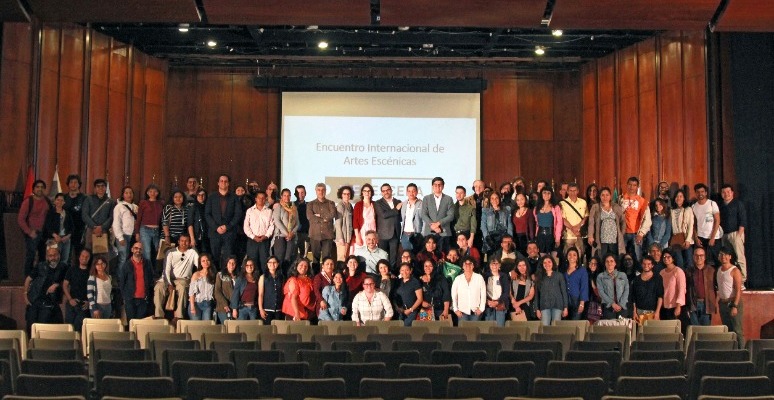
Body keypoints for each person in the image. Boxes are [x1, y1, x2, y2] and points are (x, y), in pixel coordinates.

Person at [154, 234, 199, 320]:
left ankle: (178, 316)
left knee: (182, 287)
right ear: (178, 242)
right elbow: (166, 270)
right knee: (158, 287)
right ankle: (158, 315)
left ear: (189, 243)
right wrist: (169, 284)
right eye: (182, 241)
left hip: (183, 279)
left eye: (186, 241)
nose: (184, 243)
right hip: (168, 278)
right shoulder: (171, 252)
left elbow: (199, 265)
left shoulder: (192, 252)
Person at [24, 246, 67, 333]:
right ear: (47, 257)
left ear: (59, 255)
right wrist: (25, 295)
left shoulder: (63, 267)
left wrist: (56, 284)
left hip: (49, 302)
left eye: (55, 255)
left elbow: (67, 282)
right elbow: (28, 279)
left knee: (42, 327)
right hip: (35, 299)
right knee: (30, 326)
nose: (53, 258)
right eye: (50, 256)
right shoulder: (40, 266)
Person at [205, 174, 242, 269]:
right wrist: (216, 227)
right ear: (218, 183)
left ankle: (227, 278)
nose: (223, 183)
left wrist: (227, 226)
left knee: (228, 258)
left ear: (228, 183)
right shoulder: (211, 197)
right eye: (221, 181)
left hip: (229, 232)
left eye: (225, 181)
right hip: (214, 232)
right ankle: (215, 278)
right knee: (214, 257)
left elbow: (238, 214)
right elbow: (207, 214)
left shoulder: (234, 197)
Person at [18, 180, 51, 277]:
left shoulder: (47, 201)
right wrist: (29, 232)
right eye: (37, 187)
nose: (40, 189)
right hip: (32, 233)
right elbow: (20, 219)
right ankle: (27, 280)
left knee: (43, 257)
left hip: (44, 234)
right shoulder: (28, 201)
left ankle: (40, 279)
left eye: (42, 187)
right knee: (31, 257)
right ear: (33, 189)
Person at [716, 246, 744, 349]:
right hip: (723, 303)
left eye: (725, 255)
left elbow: (738, 290)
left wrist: (735, 306)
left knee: (737, 330)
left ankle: (742, 353)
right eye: (721, 254)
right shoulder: (719, 270)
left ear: (730, 256)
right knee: (728, 330)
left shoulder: (735, 270)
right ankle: (731, 352)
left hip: (732, 303)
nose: (723, 257)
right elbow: (719, 288)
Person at [587, 187, 626, 260]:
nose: (605, 197)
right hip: (602, 240)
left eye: (607, 195)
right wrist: (590, 236)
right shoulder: (595, 207)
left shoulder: (616, 206)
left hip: (614, 239)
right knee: (601, 259)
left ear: (610, 196)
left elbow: (623, 221)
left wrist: (622, 233)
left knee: (614, 259)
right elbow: (591, 222)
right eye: (603, 195)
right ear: (600, 196)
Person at [118, 243, 153, 322]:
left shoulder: (147, 263)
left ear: (142, 251)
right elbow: (122, 282)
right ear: (132, 249)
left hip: (143, 299)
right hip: (130, 299)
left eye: (140, 249)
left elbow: (150, 279)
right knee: (131, 323)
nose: (138, 250)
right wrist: (124, 297)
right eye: (136, 248)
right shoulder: (126, 265)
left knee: (140, 324)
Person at [720, 184, 747, 282]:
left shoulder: (738, 203)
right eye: (724, 192)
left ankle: (742, 280)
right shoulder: (721, 205)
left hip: (735, 234)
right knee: (728, 258)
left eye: (728, 192)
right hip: (724, 235)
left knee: (739, 257)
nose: (726, 194)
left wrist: (738, 235)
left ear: (732, 193)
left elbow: (743, 220)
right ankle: (731, 280)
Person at [620, 177, 651, 262]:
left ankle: (639, 273)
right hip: (623, 232)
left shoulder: (642, 201)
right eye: (630, 185)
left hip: (636, 233)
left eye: (634, 185)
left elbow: (647, 220)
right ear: (627, 185)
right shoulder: (620, 199)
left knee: (638, 257)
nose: (632, 187)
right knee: (622, 256)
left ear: (637, 187)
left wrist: (641, 233)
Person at [421, 177, 455, 253]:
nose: (437, 187)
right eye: (435, 185)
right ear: (432, 186)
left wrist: (438, 223)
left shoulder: (449, 199)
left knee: (443, 256)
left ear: (443, 186)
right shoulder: (426, 198)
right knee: (429, 257)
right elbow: (423, 214)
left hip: (444, 232)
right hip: (429, 232)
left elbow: (451, 215)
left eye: (439, 185)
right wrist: (432, 225)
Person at [81, 179, 114, 256]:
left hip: (104, 231)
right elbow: (84, 215)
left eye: (102, 186)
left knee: (101, 256)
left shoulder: (111, 201)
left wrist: (102, 227)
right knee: (88, 254)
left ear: (106, 188)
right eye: (98, 186)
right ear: (95, 188)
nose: (100, 188)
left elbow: (111, 217)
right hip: (90, 230)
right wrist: (94, 226)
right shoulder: (88, 199)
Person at [244, 191, 274, 274]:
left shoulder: (269, 211)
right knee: (252, 263)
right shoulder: (250, 211)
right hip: (252, 240)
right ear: (255, 199)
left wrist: (266, 236)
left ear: (265, 199)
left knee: (264, 262)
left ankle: (264, 282)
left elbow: (272, 226)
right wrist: (253, 236)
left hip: (264, 240)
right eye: (259, 198)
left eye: (263, 198)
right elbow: (246, 226)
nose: (261, 199)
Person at [692, 183, 722, 266]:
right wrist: (696, 237)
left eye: (702, 191)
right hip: (701, 238)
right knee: (702, 262)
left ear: (705, 193)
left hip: (714, 237)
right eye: (698, 192)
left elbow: (717, 220)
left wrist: (712, 237)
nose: (700, 194)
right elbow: (693, 224)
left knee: (716, 261)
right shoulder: (694, 206)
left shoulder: (712, 204)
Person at [374, 183, 402, 268]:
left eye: (388, 190)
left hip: (395, 234)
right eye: (384, 191)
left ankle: (392, 276)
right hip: (383, 235)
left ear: (391, 190)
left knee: (393, 259)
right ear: (381, 193)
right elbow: (384, 215)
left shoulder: (398, 202)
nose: (386, 192)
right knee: (383, 258)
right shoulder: (378, 203)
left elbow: (401, 217)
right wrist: (396, 209)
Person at [685, 248, 716, 326]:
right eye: (696, 255)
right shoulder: (688, 271)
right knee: (694, 331)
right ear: (693, 257)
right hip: (693, 304)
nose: (699, 258)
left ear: (705, 257)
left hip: (706, 304)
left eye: (701, 255)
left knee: (705, 332)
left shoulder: (711, 271)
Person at [307, 183, 337, 264]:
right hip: (315, 235)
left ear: (326, 191)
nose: (321, 192)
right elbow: (310, 217)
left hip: (327, 236)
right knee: (315, 259)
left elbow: (332, 215)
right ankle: (316, 276)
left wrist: (319, 216)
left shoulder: (331, 203)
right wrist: (324, 218)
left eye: (323, 190)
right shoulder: (310, 204)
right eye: (319, 190)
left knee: (326, 259)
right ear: (316, 191)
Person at [534, 255, 568, 325]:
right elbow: (537, 295)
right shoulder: (539, 277)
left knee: (556, 328)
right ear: (542, 265)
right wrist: (537, 309)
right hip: (544, 306)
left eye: (549, 262)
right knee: (545, 328)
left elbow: (564, 292)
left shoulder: (559, 275)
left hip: (557, 305)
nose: (547, 264)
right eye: (544, 263)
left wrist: (565, 307)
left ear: (553, 263)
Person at [629, 256, 663, 325]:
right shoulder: (636, 279)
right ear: (641, 265)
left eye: (648, 264)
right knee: (640, 334)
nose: (646, 266)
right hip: (639, 311)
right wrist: (634, 312)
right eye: (644, 264)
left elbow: (660, 296)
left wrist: (657, 312)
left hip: (652, 312)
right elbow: (634, 298)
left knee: (652, 334)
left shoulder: (658, 278)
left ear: (652, 265)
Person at [63, 249, 91, 331]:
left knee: (79, 328)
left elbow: (95, 288)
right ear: (79, 257)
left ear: (89, 258)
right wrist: (70, 299)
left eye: (87, 257)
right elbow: (65, 285)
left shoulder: (91, 272)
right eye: (82, 256)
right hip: (72, 302)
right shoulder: (72, 269)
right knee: (69, 327)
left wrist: (89, 301)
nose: (84, 258)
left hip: (84, 305)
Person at [451, 256, 486, 323]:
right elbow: (454, 294)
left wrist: (481, 308)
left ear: (473, 265)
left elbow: (483, 294)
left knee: (475, 332)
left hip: (476, 312)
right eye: (465, 264)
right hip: (462, 312)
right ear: (463, 266)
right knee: (463, 332)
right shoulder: (458, 279)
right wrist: (455, 309)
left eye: (470, 264)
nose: (468, 266)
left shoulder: (479, 277)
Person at [135, 184, 163, 262]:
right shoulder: (143, 203)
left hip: (157, 230)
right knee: (147, 252)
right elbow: (139, 218)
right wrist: (137, 233)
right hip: (145, 230)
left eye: (155, 191)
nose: (153, 193)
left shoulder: (161, 203)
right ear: (147, 193)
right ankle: (147, 272)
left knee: (158, 251)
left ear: (158, 193)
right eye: (150, 191)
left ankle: (156, 271)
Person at [560, 182, 588, 260]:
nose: (573, 192)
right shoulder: (562, 203)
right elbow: (563, 219)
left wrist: (578, 227)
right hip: (568, 235)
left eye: (574, 190)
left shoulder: (583, 202)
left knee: (579, 257)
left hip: (579, 234)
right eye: (571, 190)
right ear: (567, 191)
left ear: (578, 191)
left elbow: (585, 217)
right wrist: (573, 229)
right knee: (568, 257)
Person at [596, 254, 629, 320]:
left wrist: (621, 304)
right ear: (604, 263)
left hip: (622, 306)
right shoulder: (600, 276)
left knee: (622, 328)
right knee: (610, 329)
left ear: (615, 263)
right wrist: (612, 304)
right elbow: (601, 292)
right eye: (607, 261)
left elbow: (626, 289)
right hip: (608, 307)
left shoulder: (622, 275)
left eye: (611, 261)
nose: (609, 263)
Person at [273, 188, 299, 270]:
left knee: (289, 259)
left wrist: (292, 233)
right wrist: (287, 233)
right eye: (285, 195)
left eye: (288, 195)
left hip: (291, 236)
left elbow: (297, 223)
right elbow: (277, 222)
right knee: (280, 259)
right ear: (281, 196)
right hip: (280, 236)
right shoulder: (278, 207)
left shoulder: (294, 208)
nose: (287, 197)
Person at [45, 192, 74, 264]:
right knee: (53, 260)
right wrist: (55, 235)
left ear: (64, 202)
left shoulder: (67, 213)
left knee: (64, 260)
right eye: (58, 200)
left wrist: (68, 236)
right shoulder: (50, 213)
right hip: (53, 239)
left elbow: (72, 227)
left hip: (65, 239)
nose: (59, 202)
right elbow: (47, 226)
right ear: (55, 201)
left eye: (62, 200)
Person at [481, 191, 513, 256]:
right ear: (489, 200)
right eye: (492, 198)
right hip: (490, 238)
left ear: (500, 199)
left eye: (496, 198)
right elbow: (483, 226)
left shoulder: (506, 209)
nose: (494, 200)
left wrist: (510, 238)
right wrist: (487, 238)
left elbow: (509, 224)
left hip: (503, 237)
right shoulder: (485, 211)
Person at [64, 174, 87, 263]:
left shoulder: (84, 198)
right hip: (65, 231)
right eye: (71, 182)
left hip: (79, 230)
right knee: (66, 256)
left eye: (75, 182)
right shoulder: (64, 198)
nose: (73, 184)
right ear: (68, 184)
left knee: (79, 255)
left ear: (79, 184)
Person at [534, 187, 563, 256]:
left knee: (553, 258)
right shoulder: (536, 208)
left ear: (551, 195)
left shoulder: (556, 207)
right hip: (540, 235)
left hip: (551, 235)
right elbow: (536, 223)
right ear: (541, 194)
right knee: (542, 257)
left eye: (549, 193)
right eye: (544, 193)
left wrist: (557, 238)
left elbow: (559, 223)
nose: (546, 195)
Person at [659, 248, 686, 322]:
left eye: (668, 257)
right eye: (664, 257)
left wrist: (678, 306)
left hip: (675, 306)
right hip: (664, 306)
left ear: (673, 258)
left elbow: (681, 289)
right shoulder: (661, 272)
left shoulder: (678, 271)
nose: (666, 259)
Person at [111, 186, 136, 266]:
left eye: (130, 193)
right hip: (123, 235)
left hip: (132, 235)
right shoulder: (119, 207)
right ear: (123, 195)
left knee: (129, 257)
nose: (129, 195)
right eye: (126, 193)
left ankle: (126, 277)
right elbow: (116, 223)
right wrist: (120, 237)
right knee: (123, 258)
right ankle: (120, 278)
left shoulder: (135, 207)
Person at [670, 189, 695, 268]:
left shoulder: (688, 209)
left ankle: (689, 279)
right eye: (677, 196)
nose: (679, 198)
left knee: (689, 262)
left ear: (684, 198)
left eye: (681, 196)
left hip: (686, 238)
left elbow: (691, 225)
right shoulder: (671, 211)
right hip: (676, 239)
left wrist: (688, 240)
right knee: (679, 262)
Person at [188, 253, 216, 320]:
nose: (206, 262)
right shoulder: (196, 274)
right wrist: (192, 306)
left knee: (206, 325)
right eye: (203, 261)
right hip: (196, 303)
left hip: (208, 304)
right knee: (197, 325)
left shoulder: (214, 274)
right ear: (200, 263)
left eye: (207, 260)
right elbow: (191, 292)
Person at [563, 248, 588, 320]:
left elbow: (584, 287)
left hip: (576, 300)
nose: (572, 257)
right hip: (565, 300)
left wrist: (582, 303)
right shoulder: (563, 269)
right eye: (569, 255)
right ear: (567, 256)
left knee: (575, 323)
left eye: (574, 255)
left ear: (577, 257)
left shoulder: (582, 270)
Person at [483, 258, 509, 326]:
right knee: (489, 327)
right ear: (489, 265)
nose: (494, 266)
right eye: (492, 264)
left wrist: (497, 302)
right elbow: (482, 291)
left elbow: (506, 292)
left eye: (496, 263)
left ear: (499, 265)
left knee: (500, 327)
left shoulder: (504, 276)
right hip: (489, 304)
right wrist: (488, 301)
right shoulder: (485, 276)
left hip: (500, 304)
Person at [258, 256, 285, 324]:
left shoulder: (281, 277)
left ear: (278, 264)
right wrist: (261, 309)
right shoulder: (263, 277)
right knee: (267, 331)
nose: (272, 264)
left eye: (274, 262)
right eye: (270, 262)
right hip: (267, 309)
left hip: (279, 309)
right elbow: (260, 294)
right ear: (267, 264)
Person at [399, 182, 424, 253]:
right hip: (405, 234)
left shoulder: (422, 204)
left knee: (417, 257)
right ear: (406, 192)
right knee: (406, 256)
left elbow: (425, 221)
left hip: (416, 234)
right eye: (409, 191)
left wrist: (422, 235)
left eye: (413, 191)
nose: (411, 193)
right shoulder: (404, 204)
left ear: (417, 192)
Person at [453, 186, 477, 251]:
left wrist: (471, 238)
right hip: (454, 235)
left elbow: (473, 225)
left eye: (461, 193)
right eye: (457, 193)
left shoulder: (471, 208)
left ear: (465, 194)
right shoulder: (452, 208)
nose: (459, 195)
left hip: (467, 234)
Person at [214, 256, 238, 323]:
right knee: (227, 328)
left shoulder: (238, 276)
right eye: (229, 263)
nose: (231, 265)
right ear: (226, 264)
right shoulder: (220, 275)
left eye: (233, 263)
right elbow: (217, 291)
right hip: (223, 307)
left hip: (236, 307)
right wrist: (225, 304)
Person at [334, 185, 355, 261]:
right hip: (342, 239)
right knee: (341, 259)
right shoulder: (340, 206)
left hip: (348, 238)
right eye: (344, 194)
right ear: (341, 195)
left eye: (348, 194)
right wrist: (340, 238)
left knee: (346, 258)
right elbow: (338, 223)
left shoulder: (350, 206)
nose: (347, 195)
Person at [353, 183, 377, 248]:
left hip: (373, 231)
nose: (367, 192)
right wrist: (357, 237)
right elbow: (355, 222)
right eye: (365, 191)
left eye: (369, 191)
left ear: (371, 193)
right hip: (362, 231)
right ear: (362, 193)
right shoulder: (358, 205)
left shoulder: (375, 204)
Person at [187, 188, 209, 254]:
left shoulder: (208, 206)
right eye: (199, 195)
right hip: (196, 236)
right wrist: (192, 238)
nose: (201, 197)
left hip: (207, 236)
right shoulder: (193, 207)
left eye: (203, 195)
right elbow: (190, 224)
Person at [294, 185, 310, 259]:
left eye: (302, 192)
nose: (300, 195)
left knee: (304, 257)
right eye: (298, 192)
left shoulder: (309, 205)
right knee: (294, 256)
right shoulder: (291, 205)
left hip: (306, 234)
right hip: (295, 234)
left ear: (305, 193)